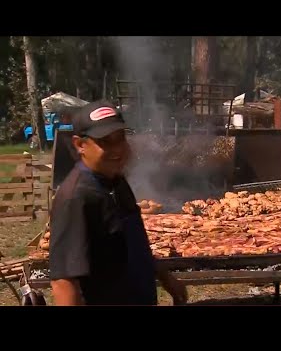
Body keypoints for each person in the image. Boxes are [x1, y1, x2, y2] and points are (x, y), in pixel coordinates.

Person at [49, 100, 188, 306]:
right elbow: (63, 281)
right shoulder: (76, 198)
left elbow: (135, 242)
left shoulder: (117, 182)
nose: (117, 149)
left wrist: (165, 277)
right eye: (105, 141)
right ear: (80, 145)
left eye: (120, 138)